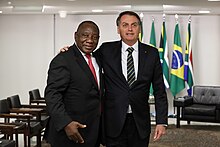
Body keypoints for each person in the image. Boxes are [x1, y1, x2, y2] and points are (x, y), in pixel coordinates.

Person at [61, 11, 168, 147]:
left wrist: (161, 121)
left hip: (140, 122)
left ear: (139, 28)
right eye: (125, 25)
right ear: (118, 29)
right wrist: (69, 52)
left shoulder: (151, 53)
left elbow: (159, 90)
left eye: (134, 25)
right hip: (113, 122)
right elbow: (85, 56)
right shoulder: (106, 50)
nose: (130, 29)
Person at [44, 21, 104, 147]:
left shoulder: (97, 59)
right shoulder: (63, 59)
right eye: (85, 35)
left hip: (92, 131)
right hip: (69, 132)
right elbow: (52, 94)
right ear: (76, 36)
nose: (90, 40)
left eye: (94, 37)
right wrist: (66, 123)